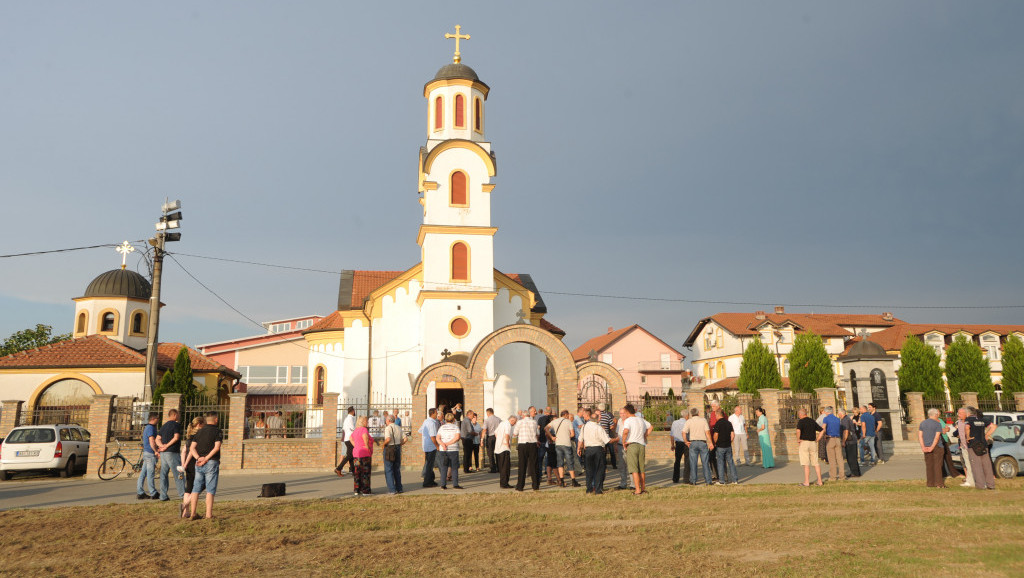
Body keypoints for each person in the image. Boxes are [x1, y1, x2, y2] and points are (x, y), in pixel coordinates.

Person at [188, 411, 223, 520]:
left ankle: (193, 513)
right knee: (210, 489)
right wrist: (206, 459)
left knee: (196, 488)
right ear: (216, 419)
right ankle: (208, 514)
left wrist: (199, 458)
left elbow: (192, 448)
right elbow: (216, 447)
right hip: (211, 462)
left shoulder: (199, 432)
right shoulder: (217, 432)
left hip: (198, 463)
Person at [579, 408, 616, 494]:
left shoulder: (584, 426)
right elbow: (607, 440)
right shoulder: (599, 428)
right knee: (599, 469)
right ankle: (598, 489)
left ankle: (589, 489)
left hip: (588, 449)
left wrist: (579, 449)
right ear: (597, 420)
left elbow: (580, 439)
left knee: (589, 470)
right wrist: (616, 439)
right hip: (598, 449)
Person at [620, 404, 652, 495]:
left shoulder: (628, 420)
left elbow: (625, 431)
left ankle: (637, 489)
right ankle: (643, 488)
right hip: (641, 445)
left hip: (632, 445)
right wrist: (645, 436)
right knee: (641, 468)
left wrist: (623, 442)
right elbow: (650, 427)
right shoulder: (640, 419)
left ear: (627, 412)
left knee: (634, 469)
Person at [546, 410, 580, 487]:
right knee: (570, 462)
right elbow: (572, 434)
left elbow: (546, 428)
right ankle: (573, 481)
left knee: (560, 463)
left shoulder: (555, 421)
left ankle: (561, 481)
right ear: (566, 415)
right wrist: (567, 436)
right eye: (568, 415)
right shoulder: (568, 422)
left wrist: (552, 437)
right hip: (567, 444)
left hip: (558, 444)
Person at [156, 409, 183, 502]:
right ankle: (182, 494)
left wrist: (161, 446)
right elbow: (176, 437)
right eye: (178, 414)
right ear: (175, 415)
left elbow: (157, 439)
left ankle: (163, 496)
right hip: (173, 452)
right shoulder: (176, 425)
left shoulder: (163, 426)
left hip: (163, 454)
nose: (179, 416)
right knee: (179, 473)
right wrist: (166, 446)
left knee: (163, 474)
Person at [964, 407, 995, 490]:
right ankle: (991, 485)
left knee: (976, 466)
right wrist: (987, 435)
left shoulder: (968, 419)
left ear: (968, 413)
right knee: (987, 465)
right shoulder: (983, 419)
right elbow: (994, 426)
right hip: (984, 445)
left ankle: (981, 485)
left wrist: (968, 437)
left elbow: (967, 427)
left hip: (973, 445)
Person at [179, 417, 204, 519]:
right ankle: (184, 505)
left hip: (187, 466)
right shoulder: (198, 436)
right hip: (193, 464)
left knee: (188, 488)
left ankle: (186, 512)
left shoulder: (189, 436)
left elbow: (183, 451)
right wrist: (186, 464)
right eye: (204, 424)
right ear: (199, 425)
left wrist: (183, 464)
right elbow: (190, 453)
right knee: (199, 486)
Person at [682, 407, 714, 486]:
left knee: (693, 463)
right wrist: (710, 442)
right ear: (698, 413)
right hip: (702, 442)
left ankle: (693, 481)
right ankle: (708, 481)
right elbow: (707, 432)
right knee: (705, 462)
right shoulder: (703, 420)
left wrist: (686, 441)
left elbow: (683, 432)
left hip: (693, 442)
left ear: (691, 414)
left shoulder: (689, 421)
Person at [918, 408, 946, 488]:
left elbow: (920, 436)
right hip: (937, 447)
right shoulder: (937, 424)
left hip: (926, 446)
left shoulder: (922, 423)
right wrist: (932, 447)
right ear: (936, 415)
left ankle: (930, 483)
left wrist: (923, 447)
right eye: (937, 414)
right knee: (937, 465)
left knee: (929, 465)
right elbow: (937, 437)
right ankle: (939, 484)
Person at [514, 407, 540, 491]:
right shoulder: (534, 422)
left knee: (522, 465)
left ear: (523, 416)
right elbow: (537, 433)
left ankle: (520, 486)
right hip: (533, 444)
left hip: (522, 444)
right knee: (534, 465)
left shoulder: (520, 422)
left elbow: (515, 433)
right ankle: (535, 485)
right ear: (528, 415)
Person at [796, 408, 824, 487]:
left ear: (801, 414)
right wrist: (817, 439)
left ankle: (806, 482)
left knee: (806, 463)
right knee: (816, 463)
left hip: (804, 442)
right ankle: (820, 481)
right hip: (813, 443)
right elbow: (821, 430)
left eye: (799, 415)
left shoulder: (801, 421)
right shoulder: (812, 421)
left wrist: (798, 439)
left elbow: (798, 431)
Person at [437, 413, 463, 490]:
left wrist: (443, 444)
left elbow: (438, 438)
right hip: (453, 449)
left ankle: (443, 485)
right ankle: (455, 484)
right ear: (453, 419)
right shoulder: (456, 427)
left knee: (444, 467)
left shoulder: (441, 427)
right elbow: (457, 437)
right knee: (454, 467)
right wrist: (448, 443)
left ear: (445, 419)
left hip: (443, 450)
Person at [381, 414, 406, 495]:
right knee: (397, 469)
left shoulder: (388, 428)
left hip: (390, 448)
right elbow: (406, 438)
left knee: (389, 469)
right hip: (397, 448)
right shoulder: (398, 427)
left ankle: (392, 489)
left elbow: (388, 439)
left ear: (388, 420)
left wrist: (383, 444)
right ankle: (399, 488)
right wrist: (400, 444)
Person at [712, 408, 738, 484]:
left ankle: (722, 481)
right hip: (728, 446)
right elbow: (733, 435)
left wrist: (715, 443)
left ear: (718, 415)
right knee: (731, 463)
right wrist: (730, 442)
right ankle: (735, 480)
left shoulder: (718, 424)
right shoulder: (728, 423)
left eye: (715, 415)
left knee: (720, 463)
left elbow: (715, 435)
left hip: (720, 446)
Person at [137, 412, 159, 500]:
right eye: (157, 419)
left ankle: (140, 492)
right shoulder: (151, 428)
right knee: (150, 473)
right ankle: (153, 493)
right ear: (153, 419)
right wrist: (156, 451)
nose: (158, 420)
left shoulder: (147, 427)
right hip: (150, 453)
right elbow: (152, 441)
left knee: (143, 473)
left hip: (146, 453)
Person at [351, 415, 373, 496]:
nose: (367, 423)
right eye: (366, 421)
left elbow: (350, 438)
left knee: (357, 472)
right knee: (365, 472)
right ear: (363, 422)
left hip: (356, 454)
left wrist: (356, 446)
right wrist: (368, 449)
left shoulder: (356, 430)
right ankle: (365, 491)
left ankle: (357, 489)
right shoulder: (364, 430)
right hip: (364, 454)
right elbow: (365, 439)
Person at [821, 407, 844, 482]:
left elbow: (823, 428)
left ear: (827, 412)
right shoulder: (837, 419)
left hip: (830, 439)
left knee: (832, 459)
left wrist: (823, 435)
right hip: (837, 439)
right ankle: (842, 476)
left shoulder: (826, 419)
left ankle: (833, 477)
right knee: (840, 458)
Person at [419, 408, 440, 488]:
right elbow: (433, 436)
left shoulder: (426, 421)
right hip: (431, 446)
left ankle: (431, 480)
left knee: (429, 464)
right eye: (436, 412)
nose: (437, 414)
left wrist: (425, 438)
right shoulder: (431, 423)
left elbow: (421, 431)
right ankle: (427, 482)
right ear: (433, 413)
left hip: (426, 445)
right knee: (429, 465)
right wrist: (437, 446)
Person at [838, 409, 861, 477]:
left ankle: (855, 473)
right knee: (852, 457)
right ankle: (855, 472)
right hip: (851, 440)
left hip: (850, 441)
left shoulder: (845, 420)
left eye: (838, 414)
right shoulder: (847, 419)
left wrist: (843, 441)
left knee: (851, 458)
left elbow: (846, 431)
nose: (838, 415)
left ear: (841, 414)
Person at [494, 416, 515, 488]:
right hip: (504, 448)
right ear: (511, 420)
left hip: (498, 448)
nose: (514, 424)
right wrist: (507, 443)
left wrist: (499, 439)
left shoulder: (501, 423)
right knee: (506, 467)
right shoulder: (508, 425)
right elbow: (507, 434)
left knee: (501, 466)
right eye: (514, 422)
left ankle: (503, 482)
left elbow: (495, 433)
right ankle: (504, 483)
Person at [335, 406, 357, 477]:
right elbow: (352, 429)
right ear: (353, 411)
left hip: (347, 438)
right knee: (350, 455)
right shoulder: (350, 419)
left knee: (351, 455)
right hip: (349, 439)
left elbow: (345, 429)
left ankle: (353, 471)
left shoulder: (347, 418)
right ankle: (338, 468)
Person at [670, 410, 689, 483]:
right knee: (687, 461)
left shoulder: (675, 422)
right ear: (686, 416)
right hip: (686, 443)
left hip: (678, 443)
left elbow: (672, 434)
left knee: (677, 461)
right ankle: (686, 478)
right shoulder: (687, 422)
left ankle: (675, 478)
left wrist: (672, 445)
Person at [597, 405, 617, 469]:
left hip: (600, 437)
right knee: (611, 450)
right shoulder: (607, 415)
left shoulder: (596, 416)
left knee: (603, 452)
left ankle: (604, 466)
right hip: (607, 435)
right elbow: (612, 426)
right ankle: (614, 465)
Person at [483, 408, 501, 473]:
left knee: (490, 453)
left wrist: (482, 439)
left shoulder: (487, 420)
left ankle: (493, 468)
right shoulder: (499, 419)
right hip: (497, 437)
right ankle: (499, 468)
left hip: (490, 437)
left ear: (488, 413)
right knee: (497, 452)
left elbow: (484, 429)